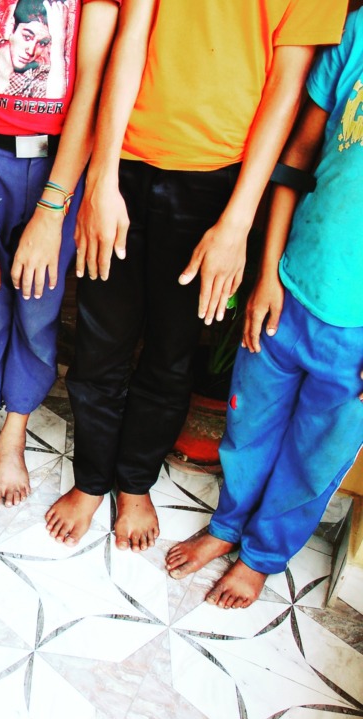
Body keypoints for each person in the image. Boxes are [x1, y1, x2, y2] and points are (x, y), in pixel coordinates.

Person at [46, 0, 346, 551]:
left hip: (218, 184)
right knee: (99, 344)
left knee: (172, 353)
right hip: (124, 161)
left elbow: (286, 87)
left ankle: (135, 484)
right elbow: (132, 37)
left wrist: (238, 222)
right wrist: (101, 179)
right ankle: (90, 480)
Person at [165, 8, 363, 608]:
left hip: (355, 338)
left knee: (316, 456)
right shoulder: (356, 34)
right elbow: (298, 157)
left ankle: (262, 556)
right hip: (292, 288)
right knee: (248, 423)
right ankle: (227, 526)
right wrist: (270, 271)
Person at [0, 0, 119, 505]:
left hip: (59, 167)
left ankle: (14, 433)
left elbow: (91, 87)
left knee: (39, 305)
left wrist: (53, 209)